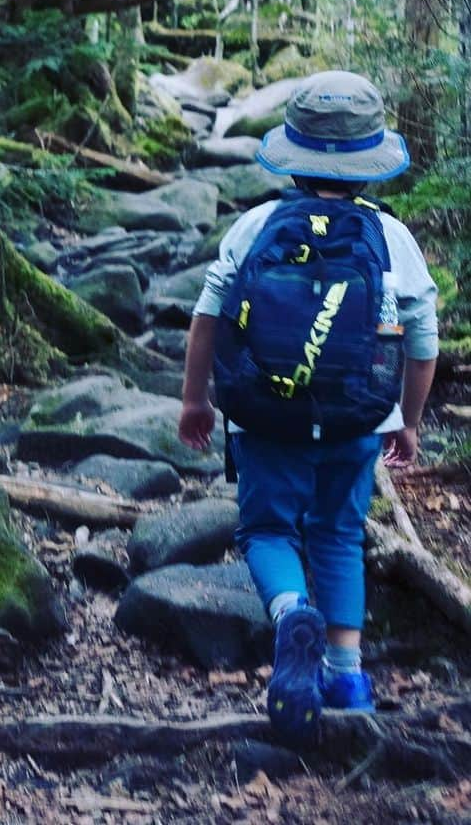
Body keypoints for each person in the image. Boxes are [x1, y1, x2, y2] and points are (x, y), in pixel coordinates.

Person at [177, 70, 438, 748]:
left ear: (292, 153)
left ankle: (293, 611)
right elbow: (423, 342)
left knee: (266, 532)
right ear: (369, 164)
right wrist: (407, 420)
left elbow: (208, 316)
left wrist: (193, 400)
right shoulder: (393, 241)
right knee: (338, 535)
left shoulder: (258, 225)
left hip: (266, 417)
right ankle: (348, 677)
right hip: (356, 420)